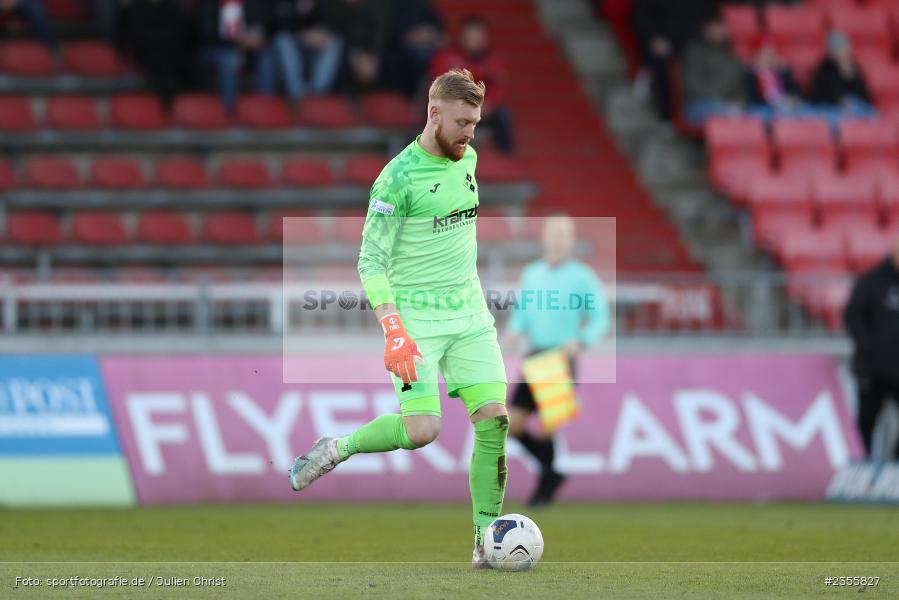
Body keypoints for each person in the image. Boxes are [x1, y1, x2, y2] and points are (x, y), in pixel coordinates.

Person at [290, 69, 510, 569]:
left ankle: (485, 540)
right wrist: (393, 329)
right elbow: (370, 261)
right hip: (415, 323)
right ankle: (338, 448)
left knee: (494, 420)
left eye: (475, 123)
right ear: (434, 114)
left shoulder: (468, 158)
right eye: (462, 123)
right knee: (422, 431)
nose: (470, 133)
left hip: (470, 316)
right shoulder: (397, 178)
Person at [505, 215, 610, 506]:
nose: (559, 239)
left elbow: (600, 317)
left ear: (572, 240)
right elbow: (523, 311)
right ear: (544, 237)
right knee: (513, 424)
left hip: (561, 358)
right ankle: (551, 473)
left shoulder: (582, 276)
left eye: (564, 234)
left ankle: (544, 490)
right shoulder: (532, 273)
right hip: (535, 355)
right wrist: (514, 330)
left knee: (548, 425)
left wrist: (582, 339)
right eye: (554, 233)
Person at [843, 236, 899, 459]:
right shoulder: (871, 282)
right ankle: (862, 466)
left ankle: (894, 465)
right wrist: (869, 346)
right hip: (872, 370)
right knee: (866, 421)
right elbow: (852, 316)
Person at [430, 16, 514, 153]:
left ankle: (506, 158)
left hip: (483, 108)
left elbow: (498, 87)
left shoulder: (493, 60)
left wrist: (488, 104)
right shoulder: (445, 58)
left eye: (479, 37)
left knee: (503, 115)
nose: (475, 42)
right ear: (461, 37)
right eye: (471, 37)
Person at [631, 0, 715, 121]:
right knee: (662, 65)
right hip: (662, 46)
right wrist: (652, 38)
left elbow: (710, 17)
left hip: (695, 46)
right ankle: (665, 116)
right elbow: (641, 17)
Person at [195, 0, 271, 113]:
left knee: (266, 57)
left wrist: (255, 37)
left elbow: (260, 24)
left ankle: (265, 105)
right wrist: (237, 42)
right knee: (227, 58)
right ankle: (229, 109)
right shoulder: (210, 4)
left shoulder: (250, 3)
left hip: (246, 50)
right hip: (215, 51)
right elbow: (207, 34)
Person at [260, 0, 342, 103]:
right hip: (286, 47)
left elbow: (331, 20)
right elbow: (274, 24)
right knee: (283, 40)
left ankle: (316, 94)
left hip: (313, 46)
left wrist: (322, 33)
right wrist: (301, 35)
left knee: (334, 42)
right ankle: (297, 95)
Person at [681, 12, 745, 126]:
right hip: (698, 105)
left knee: (759, 114)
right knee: (733, 114)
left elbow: (737, 84)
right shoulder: (694, 52)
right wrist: (722, 98)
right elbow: (691, 85)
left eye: (722, 27)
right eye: (716, 27)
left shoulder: (731, 54)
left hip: (726, 105)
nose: (721, 31)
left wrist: (738, 99)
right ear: (705, 29)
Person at [322, 0, 389, 93]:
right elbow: (335, 28)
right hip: (347, 49)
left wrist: (372, 55)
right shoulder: (338, 4)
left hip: (372, 51)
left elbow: (381, 31)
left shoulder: (378, 4)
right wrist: (354, 55)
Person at [810, 31, 876, 122]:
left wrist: (851, 77)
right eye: (837, 50)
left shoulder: (854, 67)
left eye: (844, 49)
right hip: (830, 108)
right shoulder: (824, 69)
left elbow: (866, 96)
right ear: (830, 52)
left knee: (870, 113)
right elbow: (818, 97)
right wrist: (840, 101)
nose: (841, 53)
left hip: (855, 108)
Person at [383, 0, 444, 97]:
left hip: (427, 48)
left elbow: (439, 32)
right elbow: (389, 34)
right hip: (398, 50)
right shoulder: (390, 5)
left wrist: (430, 34)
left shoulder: (424, 5)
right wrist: (412, 36)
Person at [744, 35, 806, 121]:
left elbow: (798, 93)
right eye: (765, 53)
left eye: (771, 53)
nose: (769, 57)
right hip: (764, 112)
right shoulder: (750, 75)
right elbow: (750, 100)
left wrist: (793, 99)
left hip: (787, 110)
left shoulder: (782, 72)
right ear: (756, 55)